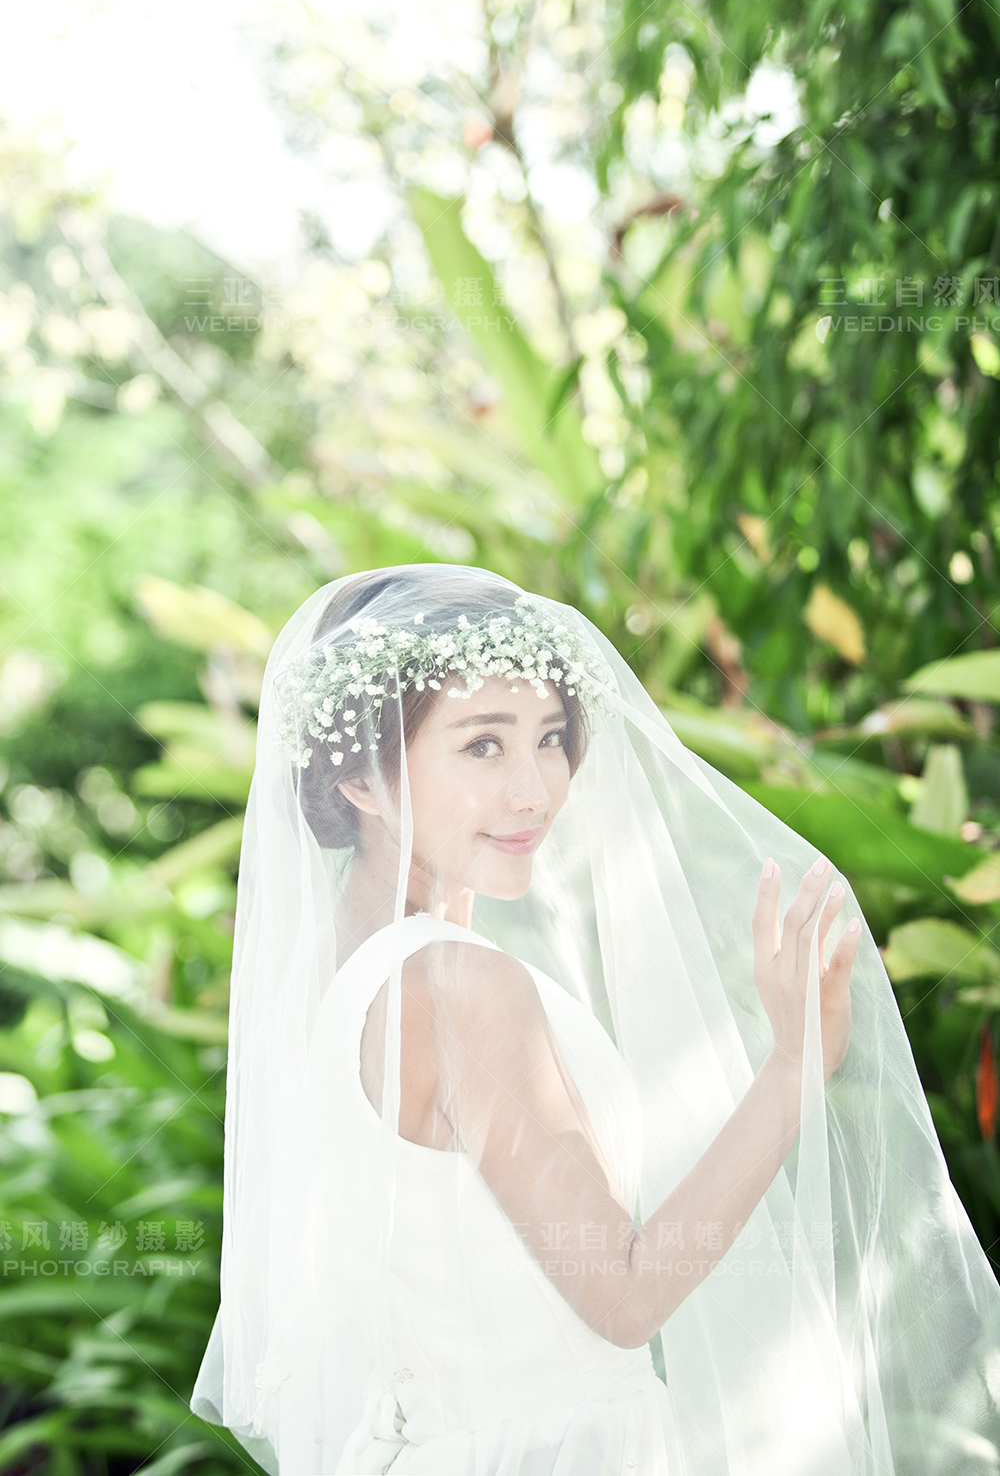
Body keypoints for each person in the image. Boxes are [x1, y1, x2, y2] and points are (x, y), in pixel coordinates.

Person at [191, 564, 1000, 1476]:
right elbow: (624, 1295)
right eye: (482, 746)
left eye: (549, 738)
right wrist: (792, 1069)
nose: (535, 791)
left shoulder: (332, 976)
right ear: (362, 782)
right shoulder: (459, 988)